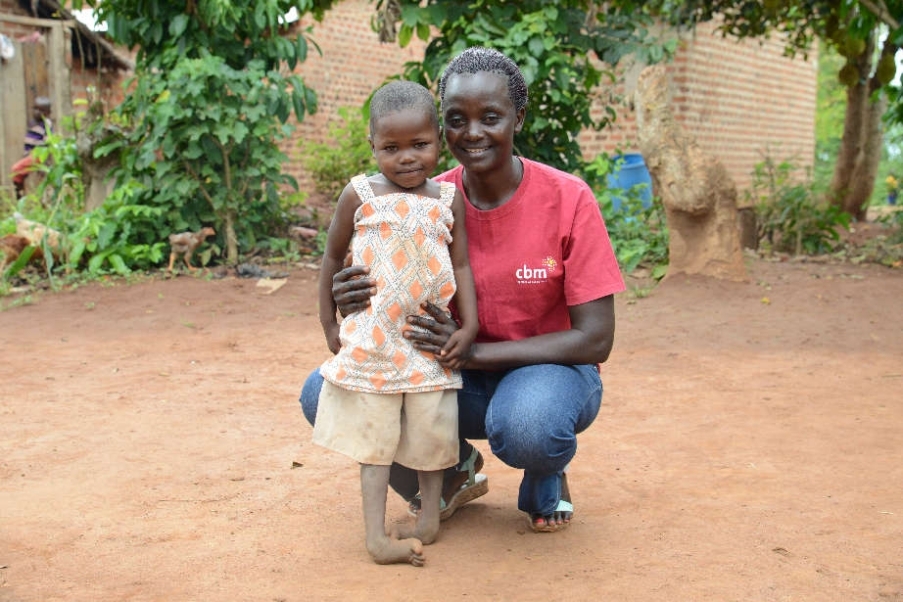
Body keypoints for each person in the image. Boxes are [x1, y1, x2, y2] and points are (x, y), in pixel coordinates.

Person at [300, 46, 624, 534]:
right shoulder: (422, 199)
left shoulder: (569, 198)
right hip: (452, 375)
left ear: (518, 116)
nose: (472, 133)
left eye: (490, 116)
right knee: (323, 392)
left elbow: (595, 339)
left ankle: (545, 474)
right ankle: (450, 476)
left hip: (546, 374)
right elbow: (384, 290)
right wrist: (352, 296)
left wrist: (473, 354)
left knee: (529, 426)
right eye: (456, 119)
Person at [311, 80, 479, 567]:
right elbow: (330, 256)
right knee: (375, 443)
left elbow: (462, 266)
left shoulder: (448, 200)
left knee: (432, 435)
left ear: (438, 141)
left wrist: (468, 326)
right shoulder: (358, 194)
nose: (407, 158)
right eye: (391, 148)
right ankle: (376, 538)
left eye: (420, 145)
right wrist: (328, 321)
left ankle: (429, 517)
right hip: (373, 344)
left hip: (428, 342)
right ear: (372, 143)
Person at [11, 96, 52, 198]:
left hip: (37, 155)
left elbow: (48, 142)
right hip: (29, 154)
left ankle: (19, 194)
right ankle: (21, 192)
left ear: (47, 113)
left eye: (41, 110)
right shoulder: (33, 123)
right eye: (35, 108)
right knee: (21, 174)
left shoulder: (46, 124)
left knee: (16, 169)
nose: (37, 112)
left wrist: (36, 149)